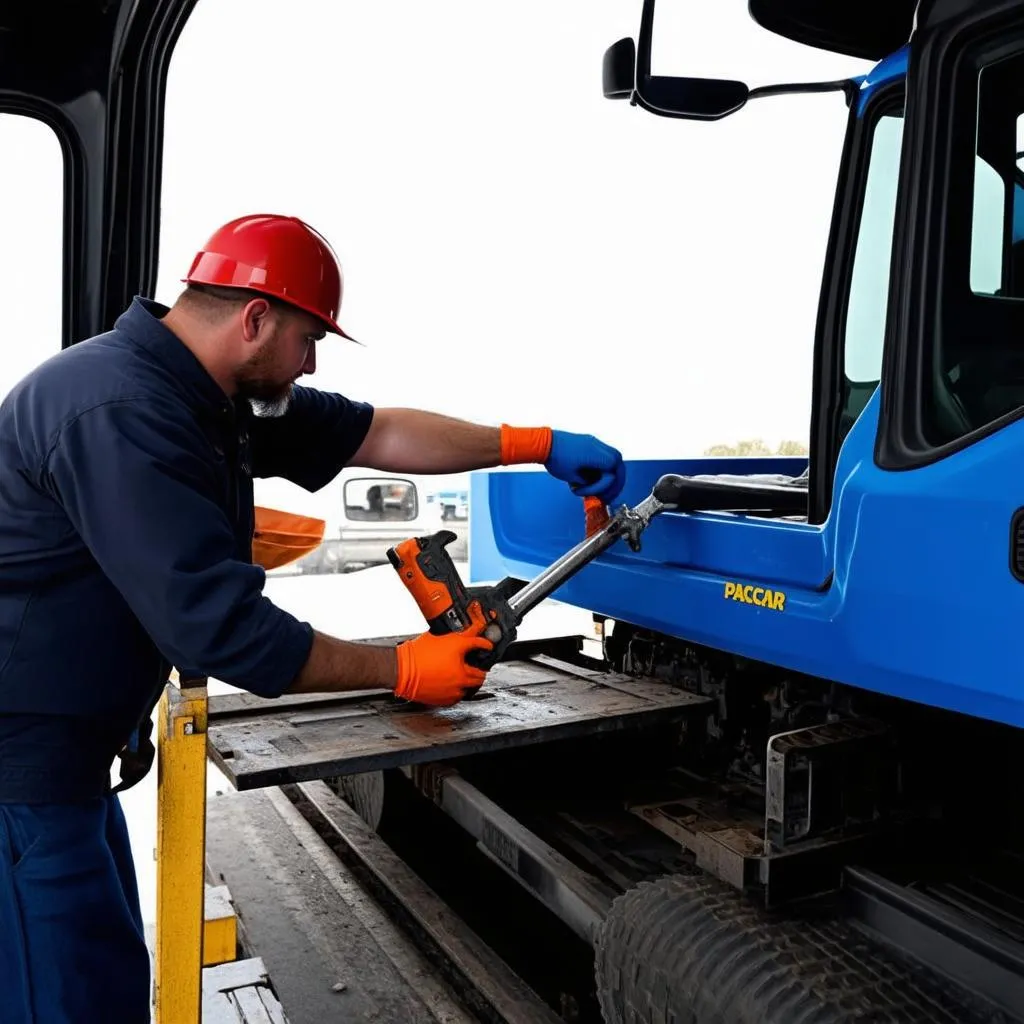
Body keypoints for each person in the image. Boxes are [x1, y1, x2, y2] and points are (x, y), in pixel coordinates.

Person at [0, 213, 625, 1022]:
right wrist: (402, 669)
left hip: (64, 768)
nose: (313, 360)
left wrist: (532, 442)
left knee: (101, 982)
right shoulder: (122, 408)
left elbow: (379, 432)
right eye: (308, 338)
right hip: (20, 777)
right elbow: (220, 629)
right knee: (63, 1001)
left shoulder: (208, 396)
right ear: (256, 319)